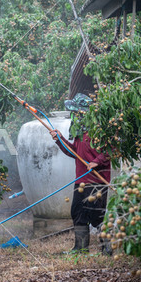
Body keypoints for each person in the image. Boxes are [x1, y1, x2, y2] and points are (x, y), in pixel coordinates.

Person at [49, 94, 112, 255]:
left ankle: (107, 248)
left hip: (97, 181)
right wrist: (60, 139)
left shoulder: (99, 129)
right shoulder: (78, 131)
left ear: (85, 112)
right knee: (78, 212)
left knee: (96, 215)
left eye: (77, 111)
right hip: (81, 180)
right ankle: (80, 247)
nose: (74, 115)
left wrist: (96, 162)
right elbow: (74, 152)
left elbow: (110, 150)